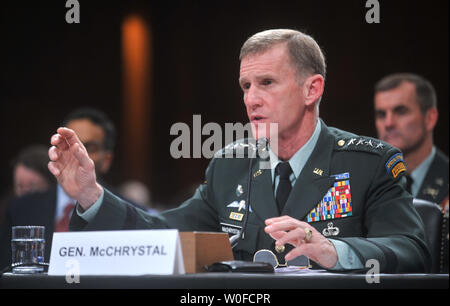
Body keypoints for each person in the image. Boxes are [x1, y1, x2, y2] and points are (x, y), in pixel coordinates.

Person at [48, 29, 430, 273]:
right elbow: (164, 234)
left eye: (266, 82)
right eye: (246, 85)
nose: (251, 99)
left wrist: (334, 250)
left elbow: (413, 250)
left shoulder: (371, 162)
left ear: (312, 89)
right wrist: (90, 195)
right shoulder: (230, 166)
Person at [0, 107, 121, 270]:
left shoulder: (129, 215)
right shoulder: (21, 209)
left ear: (106, 160)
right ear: (56, 150)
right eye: (70, 145)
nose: (79, 154)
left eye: (89, 148)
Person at [374, 73, 448, 273]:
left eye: (401, 111)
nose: (388, 123)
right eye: (381, 114)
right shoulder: (368, 182)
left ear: (430, 118)